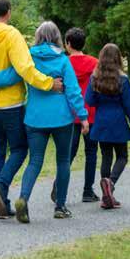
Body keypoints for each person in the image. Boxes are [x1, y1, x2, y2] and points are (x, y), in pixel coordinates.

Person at [0, 0, 64, 219]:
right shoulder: (12, 35)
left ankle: (3, 204)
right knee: (20, 149)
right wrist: (48, 83)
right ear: (8, 13)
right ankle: (0, 185)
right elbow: (25, 68)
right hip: (12, 105)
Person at [0, 21, 88, 222]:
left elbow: (9, 77)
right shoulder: (63, 60)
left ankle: (23, 199)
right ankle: (60, 207)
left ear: (37, 37)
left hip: (35, 119)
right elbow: (73, 91)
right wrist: (83, 117)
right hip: (61, 118)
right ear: (58, 38)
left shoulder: (28, 58)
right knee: (63, 161)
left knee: (35, 161)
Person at [85, 43, 130, 210]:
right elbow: (129, 105)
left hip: (101, 121)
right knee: (122, 156)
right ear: (118, 59)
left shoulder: (95, 78)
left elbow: (89, 100)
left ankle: (106, 196)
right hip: (118, 122)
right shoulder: (122, 79)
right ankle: (111, 184)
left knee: (106, 156)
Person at [50, 27, 99, 204]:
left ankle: (58, 185)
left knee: (68, 153)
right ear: (83, 43)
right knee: (91, 152)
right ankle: (88, 191)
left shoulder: (62, 63)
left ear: (68, 43)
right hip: (90, 113)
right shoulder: (94, 63)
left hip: (69, 113)